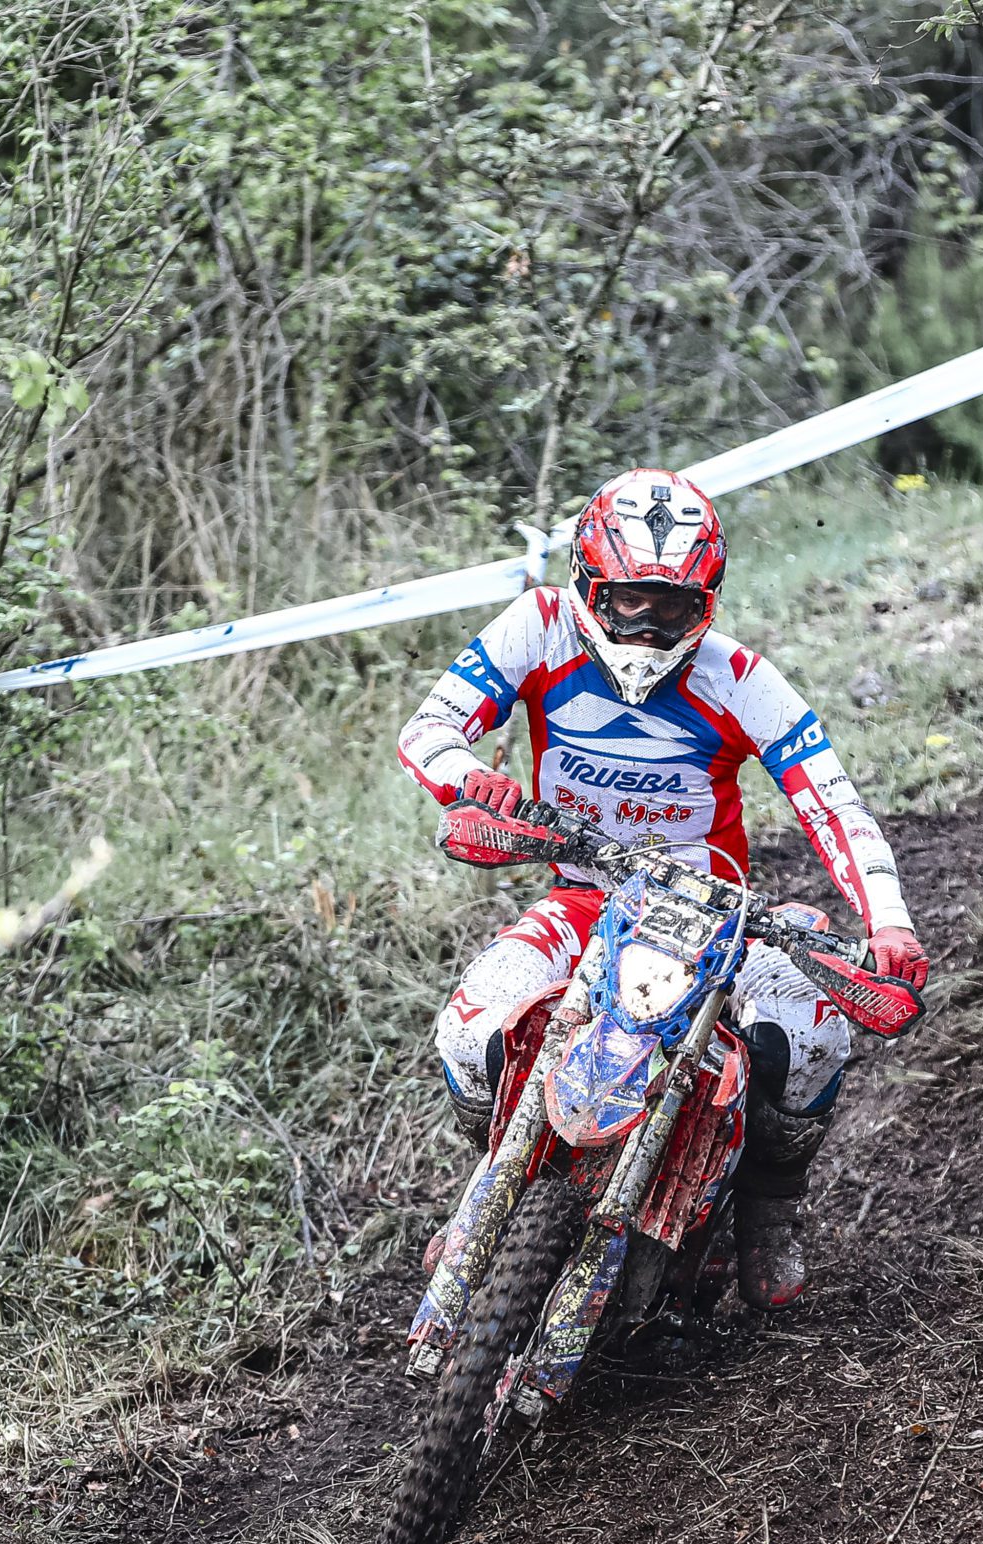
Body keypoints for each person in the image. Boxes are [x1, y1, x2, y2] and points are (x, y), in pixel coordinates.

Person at [397, 467, 928, 1309]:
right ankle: (493, 1182)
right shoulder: (537, 625)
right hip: (585, 898)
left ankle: (770, 1209)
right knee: (469, 1036)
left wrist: (888, 921)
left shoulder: (739, 676)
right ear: (588, 584)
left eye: (672, 607)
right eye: (629, 601)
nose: (647, 628)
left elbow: (834, 803)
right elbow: (429, 727)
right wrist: (471, 780)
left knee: (809, 1035)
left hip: (712, 917)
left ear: (705, 601)